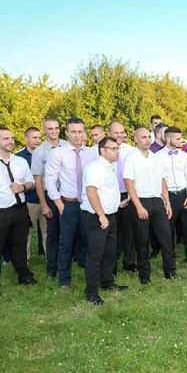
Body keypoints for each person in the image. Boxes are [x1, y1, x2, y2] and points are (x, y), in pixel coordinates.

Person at [0, 127, 37, 296]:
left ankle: (24, 275)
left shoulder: (20, 161)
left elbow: (31, 182)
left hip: (20, 210)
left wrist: (22, 187)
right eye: (5, 138)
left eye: (12, 138)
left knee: (19, 246)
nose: (10, 142)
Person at [44, 118, 96, 290]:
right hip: (69, 204)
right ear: (66, 133)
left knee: (90, 241)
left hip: (88, 204)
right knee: (66, 243)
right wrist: (59, 204)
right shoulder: (57, 153)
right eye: (73, 131)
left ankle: (94, 276)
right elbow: (50, 180)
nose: (77, 135)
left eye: (80, 131)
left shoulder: (91, 153)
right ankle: (64, 280)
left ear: (84, 132)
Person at [123, 128, 176, 283]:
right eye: (143, 137)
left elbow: (162, 181)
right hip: (141, 201)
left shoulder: (155, 157)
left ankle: (170, 272)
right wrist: (138, 206)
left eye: (149, 137)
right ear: (136, 139)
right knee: (142, 241)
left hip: (157, 202)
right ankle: (144, 276)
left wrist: (167, 202)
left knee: (166, 238)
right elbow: (129, 184)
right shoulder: (131, 158)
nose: (147, 140)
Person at [80, 136, 128, 305]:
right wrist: (101, 214)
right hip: (96, 217)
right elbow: (91, 191)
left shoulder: (109, 167)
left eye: (118, 149)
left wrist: (119, 203)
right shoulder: (95, 168)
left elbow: (105, 191)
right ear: (103, 150)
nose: (117, 152)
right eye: (114, 149)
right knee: (95, 254)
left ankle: (107, 282)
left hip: (110, 215)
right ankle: (91, 291)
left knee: (110, 252)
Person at [153, 126, 187, 273]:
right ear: (168, 139)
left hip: (184, 196)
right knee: (168, 234)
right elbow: (158, 181)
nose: (181, 141)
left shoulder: (184, 156)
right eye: (178, 138)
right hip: (168, 198)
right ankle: (170, 268)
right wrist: (165, 201)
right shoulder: (157, 157)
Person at [32, 118, 64, 277]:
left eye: (56, 128)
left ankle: (71, 260)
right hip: (50, 197)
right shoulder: (39, 152)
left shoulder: (67, 146)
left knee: (69, 231)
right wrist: (44, 205)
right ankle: (52, 267)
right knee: (52, 233)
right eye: (50, 129)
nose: (54, 131)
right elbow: (38, 181)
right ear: (44, 130)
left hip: (67, 196)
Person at [107, 121, 137, 273]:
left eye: (121, 132)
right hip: (111, 195)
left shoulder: (131, 151)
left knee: (130, 230)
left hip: (128, 193)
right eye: (115, 133)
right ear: (109, 133)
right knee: (112, 232)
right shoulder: (103, 151)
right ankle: (112, 266)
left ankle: (129, 262)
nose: (119, 135)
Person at [15, 127, 47, 259]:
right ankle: (25, 261)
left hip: (47, 200)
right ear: (26, 138)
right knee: (26, 233)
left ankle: (50, 262)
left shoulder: (48, 153)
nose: (38, 140)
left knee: (48, 233)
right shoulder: (19, 157)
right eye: (34, 138)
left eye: (40, 138)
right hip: (29, 201)